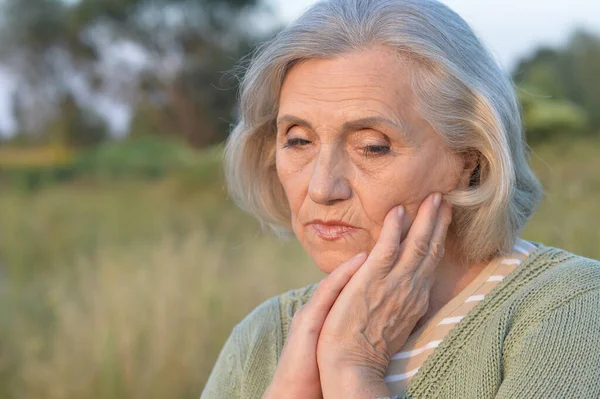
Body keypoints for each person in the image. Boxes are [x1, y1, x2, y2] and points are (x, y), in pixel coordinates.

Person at [201, 0, 600, 398]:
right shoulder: (261, 337)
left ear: (468, 159)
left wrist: (352, 367)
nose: (322, 188)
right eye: (299, 141)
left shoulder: (571, 308)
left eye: (372, 147)